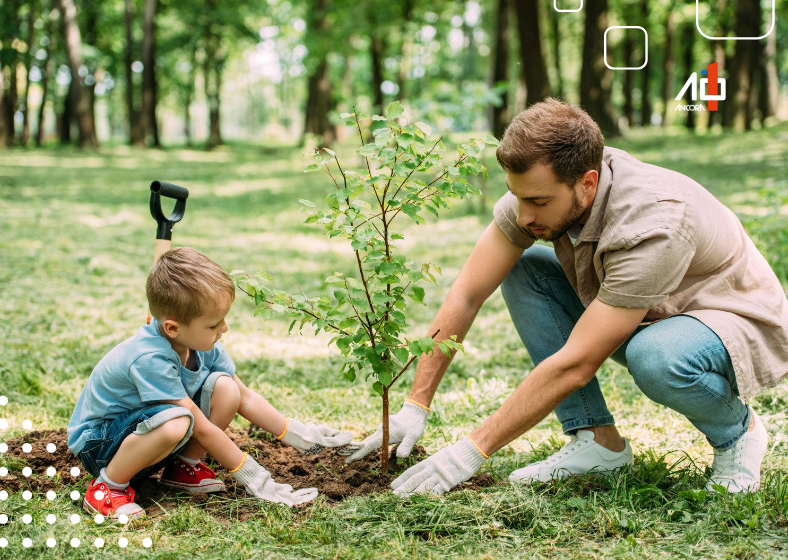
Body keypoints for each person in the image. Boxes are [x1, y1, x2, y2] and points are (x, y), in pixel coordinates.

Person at [346, 98, 788, 496]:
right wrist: (415, 404)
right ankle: (598, 442)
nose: (523, 215)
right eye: (517, 197)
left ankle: (738, 433)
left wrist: (470, 451)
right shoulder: (540, 192)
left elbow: (577, 363)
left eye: (537, 201)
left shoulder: (653, 223)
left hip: (729, 320)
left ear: (588, 183)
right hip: (650, 310)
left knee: (656, 355)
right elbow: (466, 292)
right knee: (523, 270)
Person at [67, 247, 354, 519]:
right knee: (178, 421)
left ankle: (182, 469)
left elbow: (244, 396)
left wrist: (300, 436)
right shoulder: (149, 357)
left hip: (143, 435)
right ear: (173, 328)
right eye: (214, 325)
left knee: (226, 389)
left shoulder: (199, 342)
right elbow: (200, 428)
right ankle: (108, 488)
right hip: (101, 445)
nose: (223, 329)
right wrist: (257, 478)